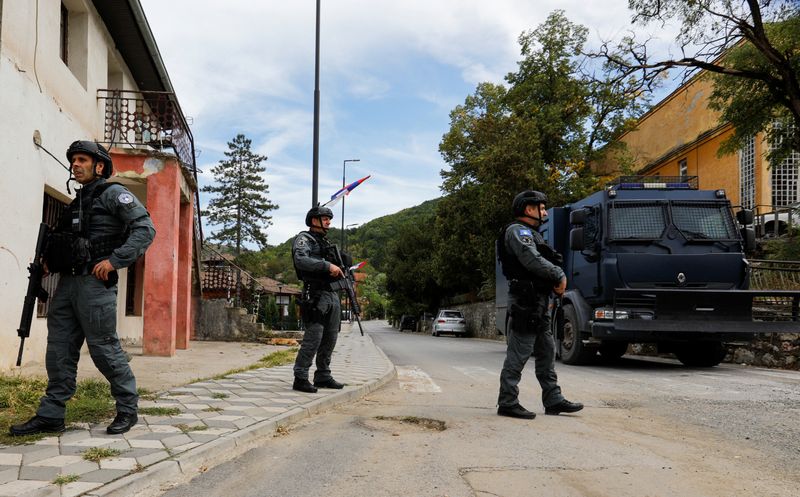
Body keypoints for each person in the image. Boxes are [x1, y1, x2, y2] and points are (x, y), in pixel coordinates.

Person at [10, 141, 156, 436]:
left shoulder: (114, 193)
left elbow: (145, 229)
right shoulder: (74, 203)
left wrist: (115, 261)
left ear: (98, 166)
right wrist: (49, 262)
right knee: (59, 351)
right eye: (73, 160)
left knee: (104, 349)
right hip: (67, 286)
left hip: (95, 285)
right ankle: (52, 415)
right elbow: (67, 243)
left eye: (81, 160)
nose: (75, 165)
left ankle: (127, 409)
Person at [496, 190, 583, 419]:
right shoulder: (518, 232)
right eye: (541, 207)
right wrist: (558, 274)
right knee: (519, 351)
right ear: (528, 209)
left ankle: (553, 399)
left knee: (547, 351)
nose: (544, 211)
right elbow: (531, 259)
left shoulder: (533, 233)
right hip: (526, 301)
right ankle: (507, 401)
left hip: (539, 301)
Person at [291, 205, 347, 393]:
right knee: (313, 338)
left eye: (329, 219)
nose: (329, 222)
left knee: (330, 337)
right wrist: (327, 266)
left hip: (332, 294)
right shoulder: (304, 239)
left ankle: (323, 375)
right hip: (315, 295)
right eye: (325, 218)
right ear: (314, 220)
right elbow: (301, 260)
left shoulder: (325, 242)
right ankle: (300, 377)